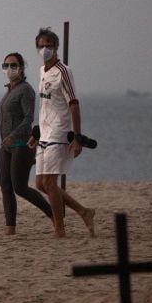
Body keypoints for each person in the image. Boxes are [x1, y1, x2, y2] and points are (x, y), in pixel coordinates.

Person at [27, 27, 96, 238]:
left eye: (48, 45)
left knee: (50, 183)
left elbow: (74, 104)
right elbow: (45, 106)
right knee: (41, 184)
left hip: (59, 132)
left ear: (56, 47)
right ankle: (84, 211)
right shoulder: (42, 71)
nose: (45, 49)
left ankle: (59, 229)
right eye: (41, 46)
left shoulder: (63, 71)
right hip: (45, 134)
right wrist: (36, 134)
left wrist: (77, 137)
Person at [0, 52, 52, 234]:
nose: (10, 69)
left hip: (21, 144)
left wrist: (13, 135)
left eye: (13, 65)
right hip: (6, 147)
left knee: (20, 187)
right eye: (6, 66)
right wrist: (6, 139)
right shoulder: (9, 90)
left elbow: (28, 118)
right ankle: (10, 227)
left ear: (21, 67)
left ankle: (54, 215)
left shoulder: (26, 90)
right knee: (6, 187)